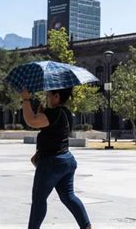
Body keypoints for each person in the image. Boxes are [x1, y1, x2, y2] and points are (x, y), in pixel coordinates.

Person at [21, 87, 91, 229]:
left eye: (49, 94)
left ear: (56, 96)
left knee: (39, 200)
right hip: (67, 160)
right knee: (68, 197)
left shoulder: (53, 113)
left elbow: (31, 121)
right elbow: (51, 131)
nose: (46, 97)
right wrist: (42, 112)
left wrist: (26, 99)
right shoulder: (66, 113)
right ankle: (86, 226)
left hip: (51, 162)